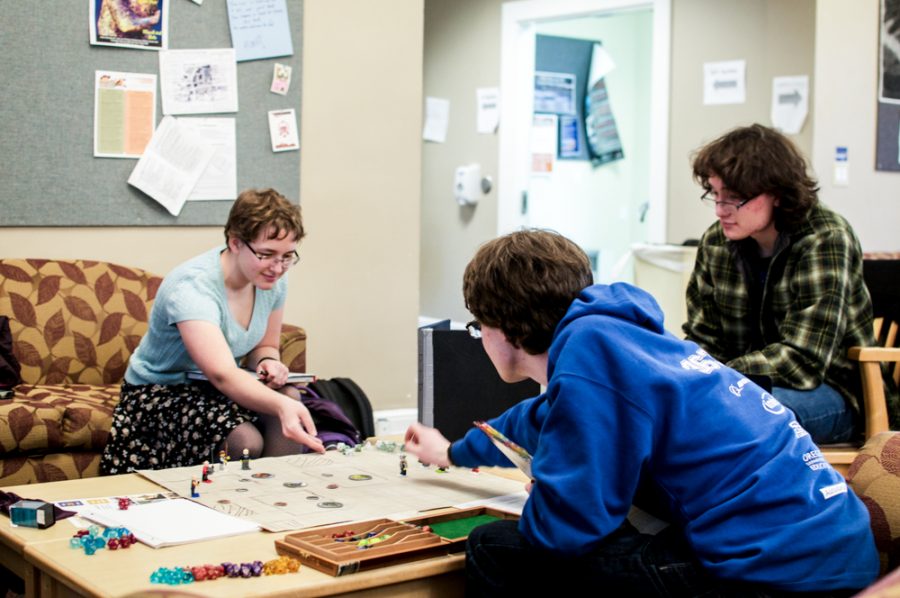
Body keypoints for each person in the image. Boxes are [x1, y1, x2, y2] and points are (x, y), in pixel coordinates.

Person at [405, 229, 877, 596]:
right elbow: (541, 415)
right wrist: (451, 452)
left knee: (495, 547)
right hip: (831, 549)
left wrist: (551, 489)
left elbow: (567, 530)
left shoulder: (590, 362)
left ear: (503, 328)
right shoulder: (615, 338)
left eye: (478, 325)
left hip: (778, 580)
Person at [100, 189, 324, 475]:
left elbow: (265, 346)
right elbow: (222, 374)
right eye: (266, 254)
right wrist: (279, 405)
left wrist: (268, 362)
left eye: (288, 256)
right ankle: (223, 507)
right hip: (161, 393)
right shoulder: (193, 287)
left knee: (291, 397)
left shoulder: (272, 280)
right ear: (235, 243)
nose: (278, 267)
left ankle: (273, 500)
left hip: (213, 390)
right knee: (245, 440)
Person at [683, 124, 876, 444]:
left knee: (736, 416)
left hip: (833, 390)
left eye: (734, 199)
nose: (720, 210)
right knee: (672, 408)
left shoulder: (825, 236)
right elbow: (704, 338)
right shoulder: (716, 243)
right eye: (714, 195)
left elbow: (804, 360)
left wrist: (719, 377)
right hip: (740, 385)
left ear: (776, 193)